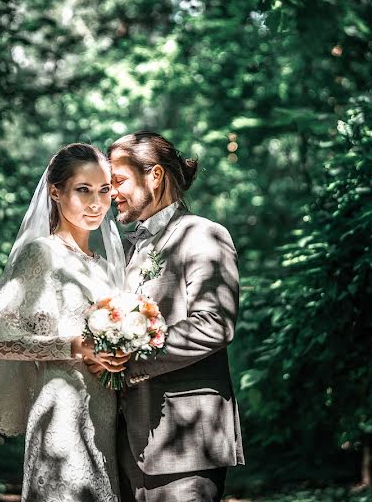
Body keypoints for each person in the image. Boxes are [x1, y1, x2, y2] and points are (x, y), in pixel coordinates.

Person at [90, 130, 245, 502]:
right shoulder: (123, 249)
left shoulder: (203, 235)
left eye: (119, 181)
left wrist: (131, 357)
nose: (112, 194)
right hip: (126, 440)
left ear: (154, 176)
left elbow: (214, 325)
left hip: (185, 440)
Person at [0, 143, 130, 502]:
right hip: (60, 410)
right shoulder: (41, 253)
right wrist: (75, 346)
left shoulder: (106, 267)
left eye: (104, 190)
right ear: (55, 191)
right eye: (83, 190)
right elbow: (1, 339)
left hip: (106, 413)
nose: (96, 202)